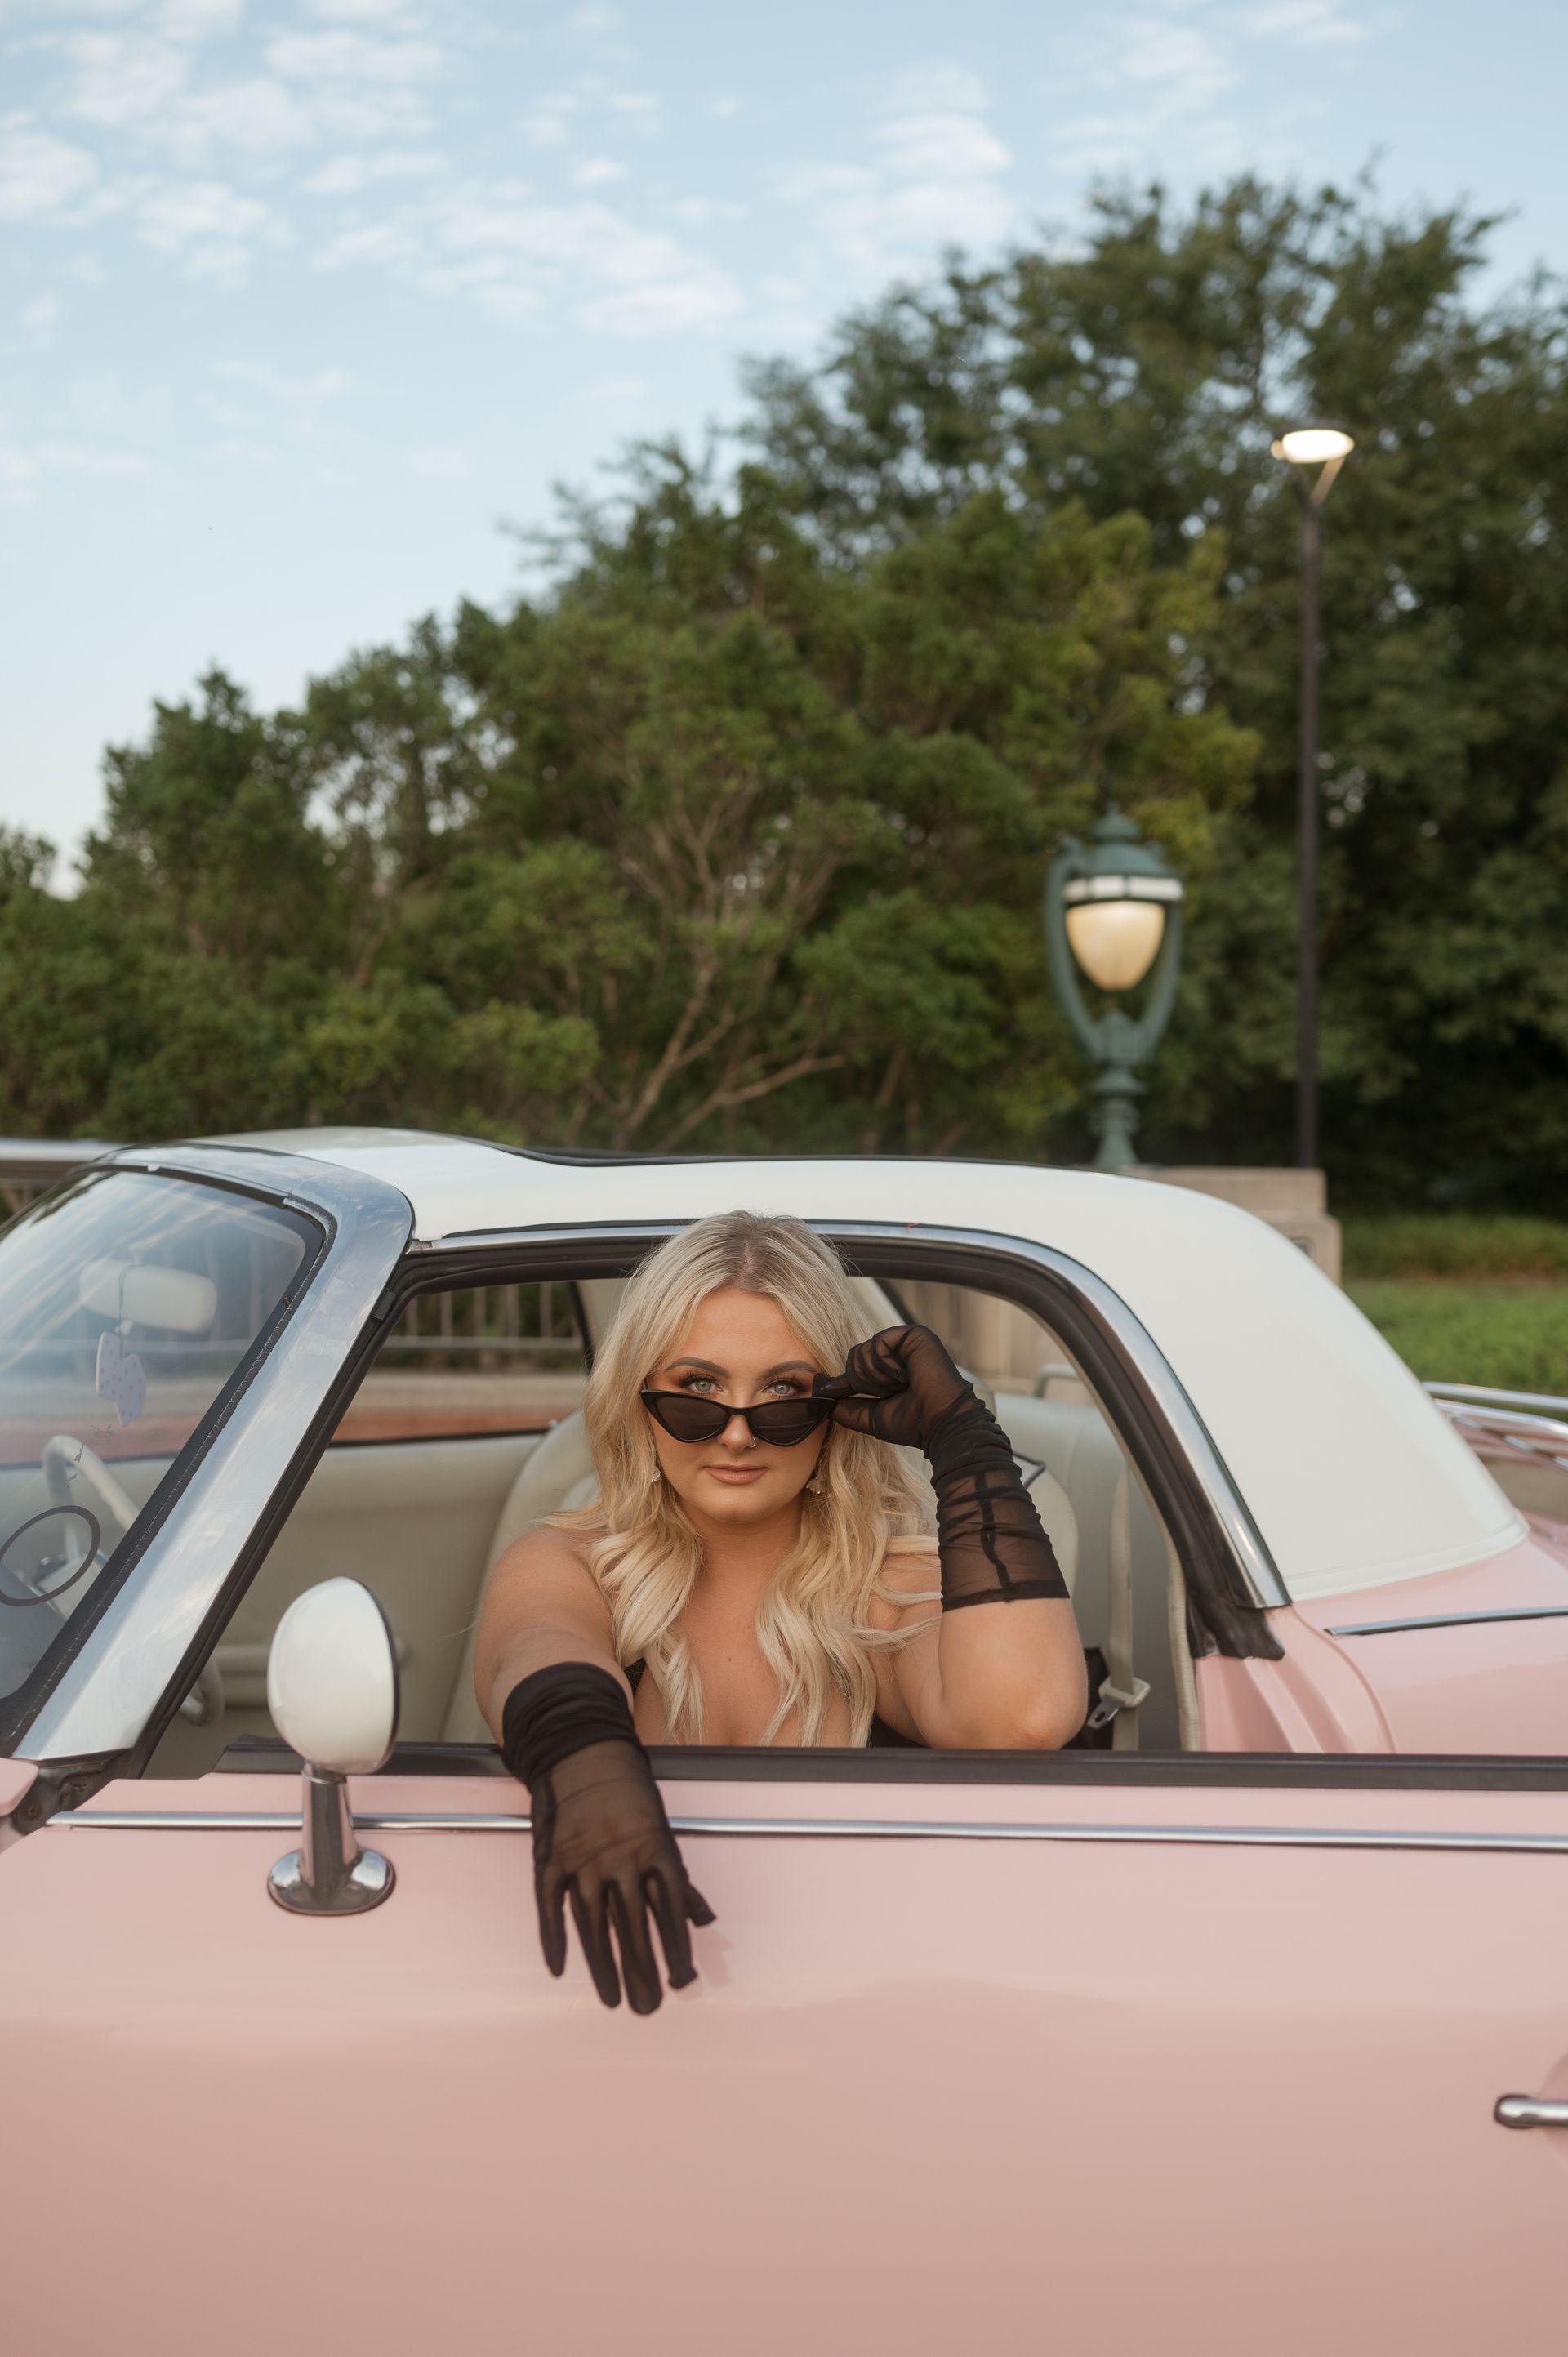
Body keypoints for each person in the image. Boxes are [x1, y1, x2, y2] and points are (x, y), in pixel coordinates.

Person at [474, 1211, 1085, 2014]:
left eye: (784, 1394)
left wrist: (963, 1441)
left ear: (837, 1408)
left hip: (859, 2012)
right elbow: (536, 1639)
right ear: (638, 1398)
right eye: (698, 1389)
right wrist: (580, 1753)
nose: (735, 1434)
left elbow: (1025, 1719)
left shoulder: (889, 1589)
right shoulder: (572, 1561)